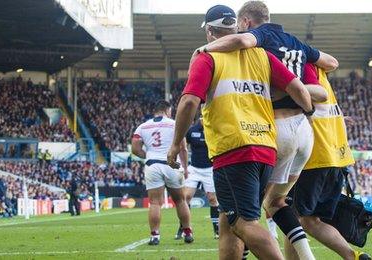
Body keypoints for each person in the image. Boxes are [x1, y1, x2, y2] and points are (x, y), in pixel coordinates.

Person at [167, 4, 314, 259]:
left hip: (233, 148)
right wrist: (310, 113)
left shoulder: (207, 57)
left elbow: (189, 102)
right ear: (235, 28)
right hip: (265, 149)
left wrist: (175, 143)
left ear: (210, 32)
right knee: (228, 220)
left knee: (243, 223)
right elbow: (299, 90)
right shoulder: (262, 56)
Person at [287, 63, 370, 260]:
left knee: (298, 220)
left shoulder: (303, 75)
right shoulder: (323, 77)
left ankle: (351, 256)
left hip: (314, 159)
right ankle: (354, 257)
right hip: (336, 159)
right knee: (303, 220)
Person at [132, 100, 192, 245]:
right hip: (172, 164)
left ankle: (155, 236)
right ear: (168, 110)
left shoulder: (142, 127)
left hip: (153, 165)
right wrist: (185, 167)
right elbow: (183, 148)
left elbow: (135, 148)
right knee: (180, 201)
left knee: (155, 203)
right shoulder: (174, 124)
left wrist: (147, 155)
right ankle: (187, 232)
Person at [180, 116, 220, 239]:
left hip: (209, 169)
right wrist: (184, 166)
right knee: (185, 197)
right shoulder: (192, 131)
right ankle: (183, 228)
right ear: (200, 118)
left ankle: (217, 231)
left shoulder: (214, 129)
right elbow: (183, 146)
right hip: (194, 169)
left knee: (213, 199)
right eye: (203, 117)